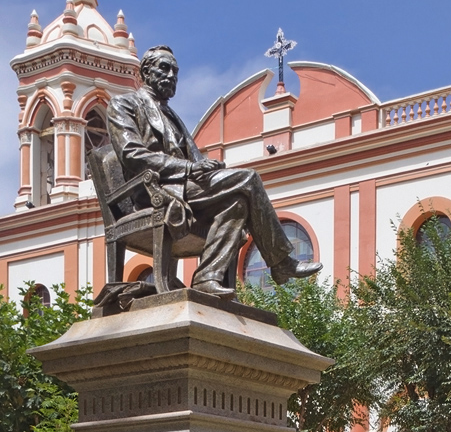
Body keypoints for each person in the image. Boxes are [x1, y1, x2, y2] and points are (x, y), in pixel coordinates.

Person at [107, 45, 322, 298]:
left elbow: (194, 158)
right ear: (146, 72)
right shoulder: (124, 104)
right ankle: (282, 262)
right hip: (153, 190)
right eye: (164, 68)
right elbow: (132, 154)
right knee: (249, 179)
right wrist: (190, 167)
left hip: (186, 188)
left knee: (238, 203)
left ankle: (206, 278)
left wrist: (208, 167)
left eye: (175, 71)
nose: (171, 75)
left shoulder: (171, 115)